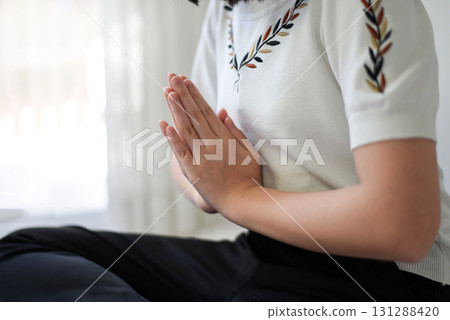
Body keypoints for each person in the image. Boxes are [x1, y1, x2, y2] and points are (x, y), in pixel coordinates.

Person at [0, 0, 449, 301]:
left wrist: (238, 196)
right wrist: (210, 187)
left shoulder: (365, 9)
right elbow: (197, 158)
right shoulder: (228, 9)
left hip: (378, 280)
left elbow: (403, 226)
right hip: (262, 251)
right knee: (19, 252)